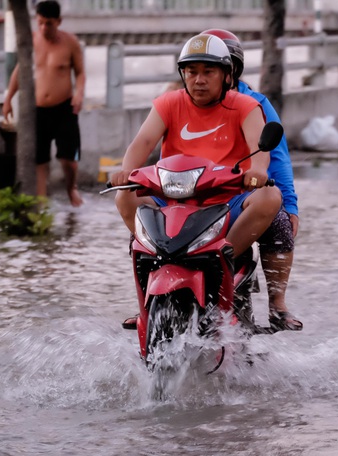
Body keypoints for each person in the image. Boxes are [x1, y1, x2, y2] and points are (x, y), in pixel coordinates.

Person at [111, 34, 284, 329]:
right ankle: (147, 302)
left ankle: (226, 255)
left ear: (227, 75)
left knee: (270, 197)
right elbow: (142, 142)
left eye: (208, 72)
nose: (199, 80)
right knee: (124, 197)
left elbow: (260, 149)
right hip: (173, 200)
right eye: (191, 72)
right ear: (183, 75)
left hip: (227, 199)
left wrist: (257, 170)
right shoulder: (168, 104)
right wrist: (126, 170)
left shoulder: (245, 105)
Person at [202, 28, 302, 331]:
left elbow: (278, 158)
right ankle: (147, 304)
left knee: (279, 221)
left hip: (239, 197)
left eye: (214, 69)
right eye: (197, 70)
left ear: (231, 70)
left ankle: (277, 303)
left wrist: (291, 204)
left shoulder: (255, 104)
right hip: (195, 196)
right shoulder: (184, 104)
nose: (203, 78)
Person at [2, 0, 85, 207]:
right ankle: (40, 204)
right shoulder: (31, 41)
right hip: (37, 110)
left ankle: (71, 189)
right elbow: (19, 71)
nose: (43, 28)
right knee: (40, 161)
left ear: (58, 21)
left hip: (65, 107)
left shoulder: (70, 42)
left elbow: (80, 72)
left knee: (69, 160)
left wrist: (79, 94)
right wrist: (8, 99)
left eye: (48, 23)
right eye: (40, 23)